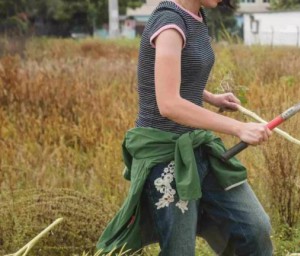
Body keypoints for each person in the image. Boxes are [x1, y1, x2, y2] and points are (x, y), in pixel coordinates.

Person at [97, 0, 273, 255]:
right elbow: (169, 104)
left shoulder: (197, 16)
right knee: (179, 250)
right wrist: (237, 128)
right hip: (164, 153)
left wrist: (211, 97)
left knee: (255, 228)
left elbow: (178, 73)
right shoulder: (169, 24)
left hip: (196, 144)